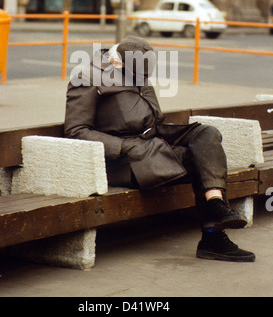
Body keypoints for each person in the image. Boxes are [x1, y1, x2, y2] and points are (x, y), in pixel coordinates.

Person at [64, 36, 255, 262]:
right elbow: (76, 130)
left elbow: (149, 119)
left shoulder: (137, 68)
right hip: (125, 160)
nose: (142, 80)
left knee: (207, 134)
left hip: (151, 141)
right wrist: (123, 147)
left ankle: (215, 203)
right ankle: (212, 236)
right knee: (198, 161)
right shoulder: (87, 78)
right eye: (137, 76)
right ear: (118, 63)